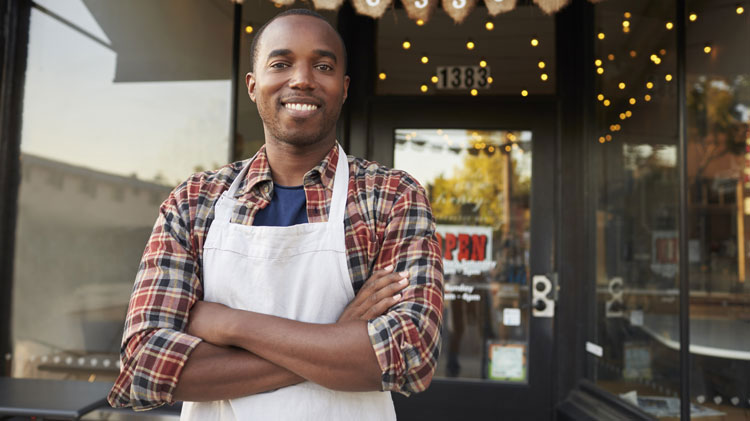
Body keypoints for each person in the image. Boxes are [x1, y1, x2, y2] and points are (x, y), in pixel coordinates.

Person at [107, 8, 443, 420]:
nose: (302, 79)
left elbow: (409, 355)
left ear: (344, 87)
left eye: (323, 66)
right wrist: (339, 340)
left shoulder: (390, 196)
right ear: (253, 85)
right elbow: (145, 367)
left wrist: (231, 325)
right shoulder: (195, 201)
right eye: (281, 64)